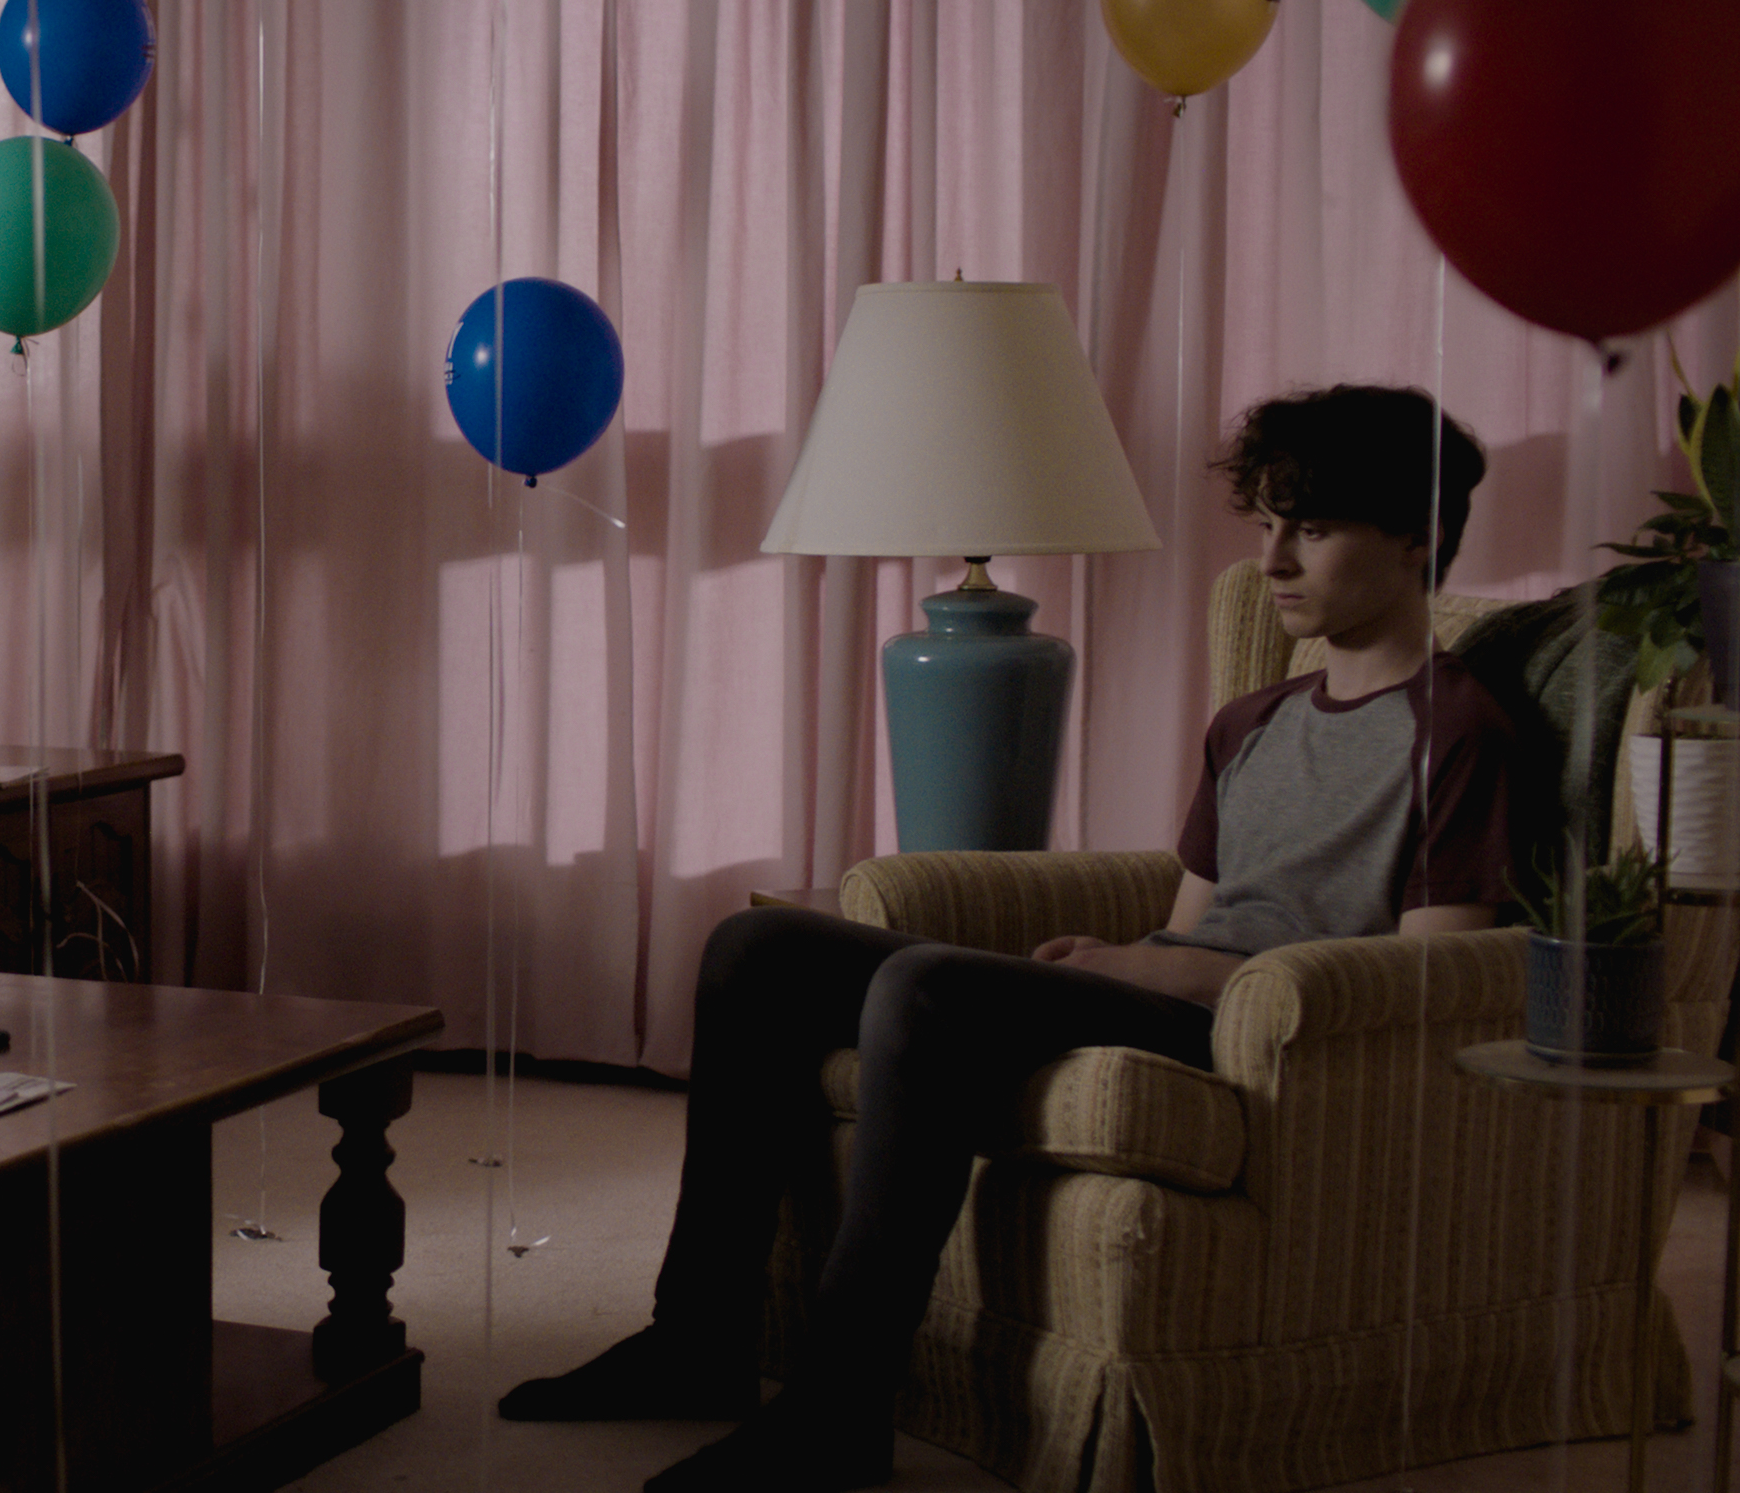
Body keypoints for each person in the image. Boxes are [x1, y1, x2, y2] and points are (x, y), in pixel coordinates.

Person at [498, 384, 1513, 1491]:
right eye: (1265, 526)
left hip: (1263, 1028)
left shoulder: (1457, 728)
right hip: (1173, 988)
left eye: (1309, 530)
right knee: (760, 951)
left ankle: (837, 1413)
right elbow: (1192, 919)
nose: (1271, 560)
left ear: (1416, 538)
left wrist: (1156, 967)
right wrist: (1129, 963)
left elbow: (1428, 972)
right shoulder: (1251, 722)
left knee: (927, 987)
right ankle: (698, 1339)